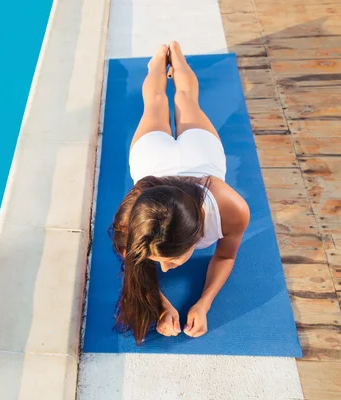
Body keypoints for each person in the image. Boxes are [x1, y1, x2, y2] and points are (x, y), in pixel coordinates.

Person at [109, 41, 250, 345]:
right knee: (158, 101)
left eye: (171, 260)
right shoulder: (134, 221)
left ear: (196, 234)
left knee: (185, 100)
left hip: (199, 155)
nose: (163, 268)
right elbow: (135, 261)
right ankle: (157, 62)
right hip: (154, 158)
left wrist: (205, 302)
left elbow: (226, 255)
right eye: (162, 260)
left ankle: (179, 58)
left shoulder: (232, 209)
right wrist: (161, 303)